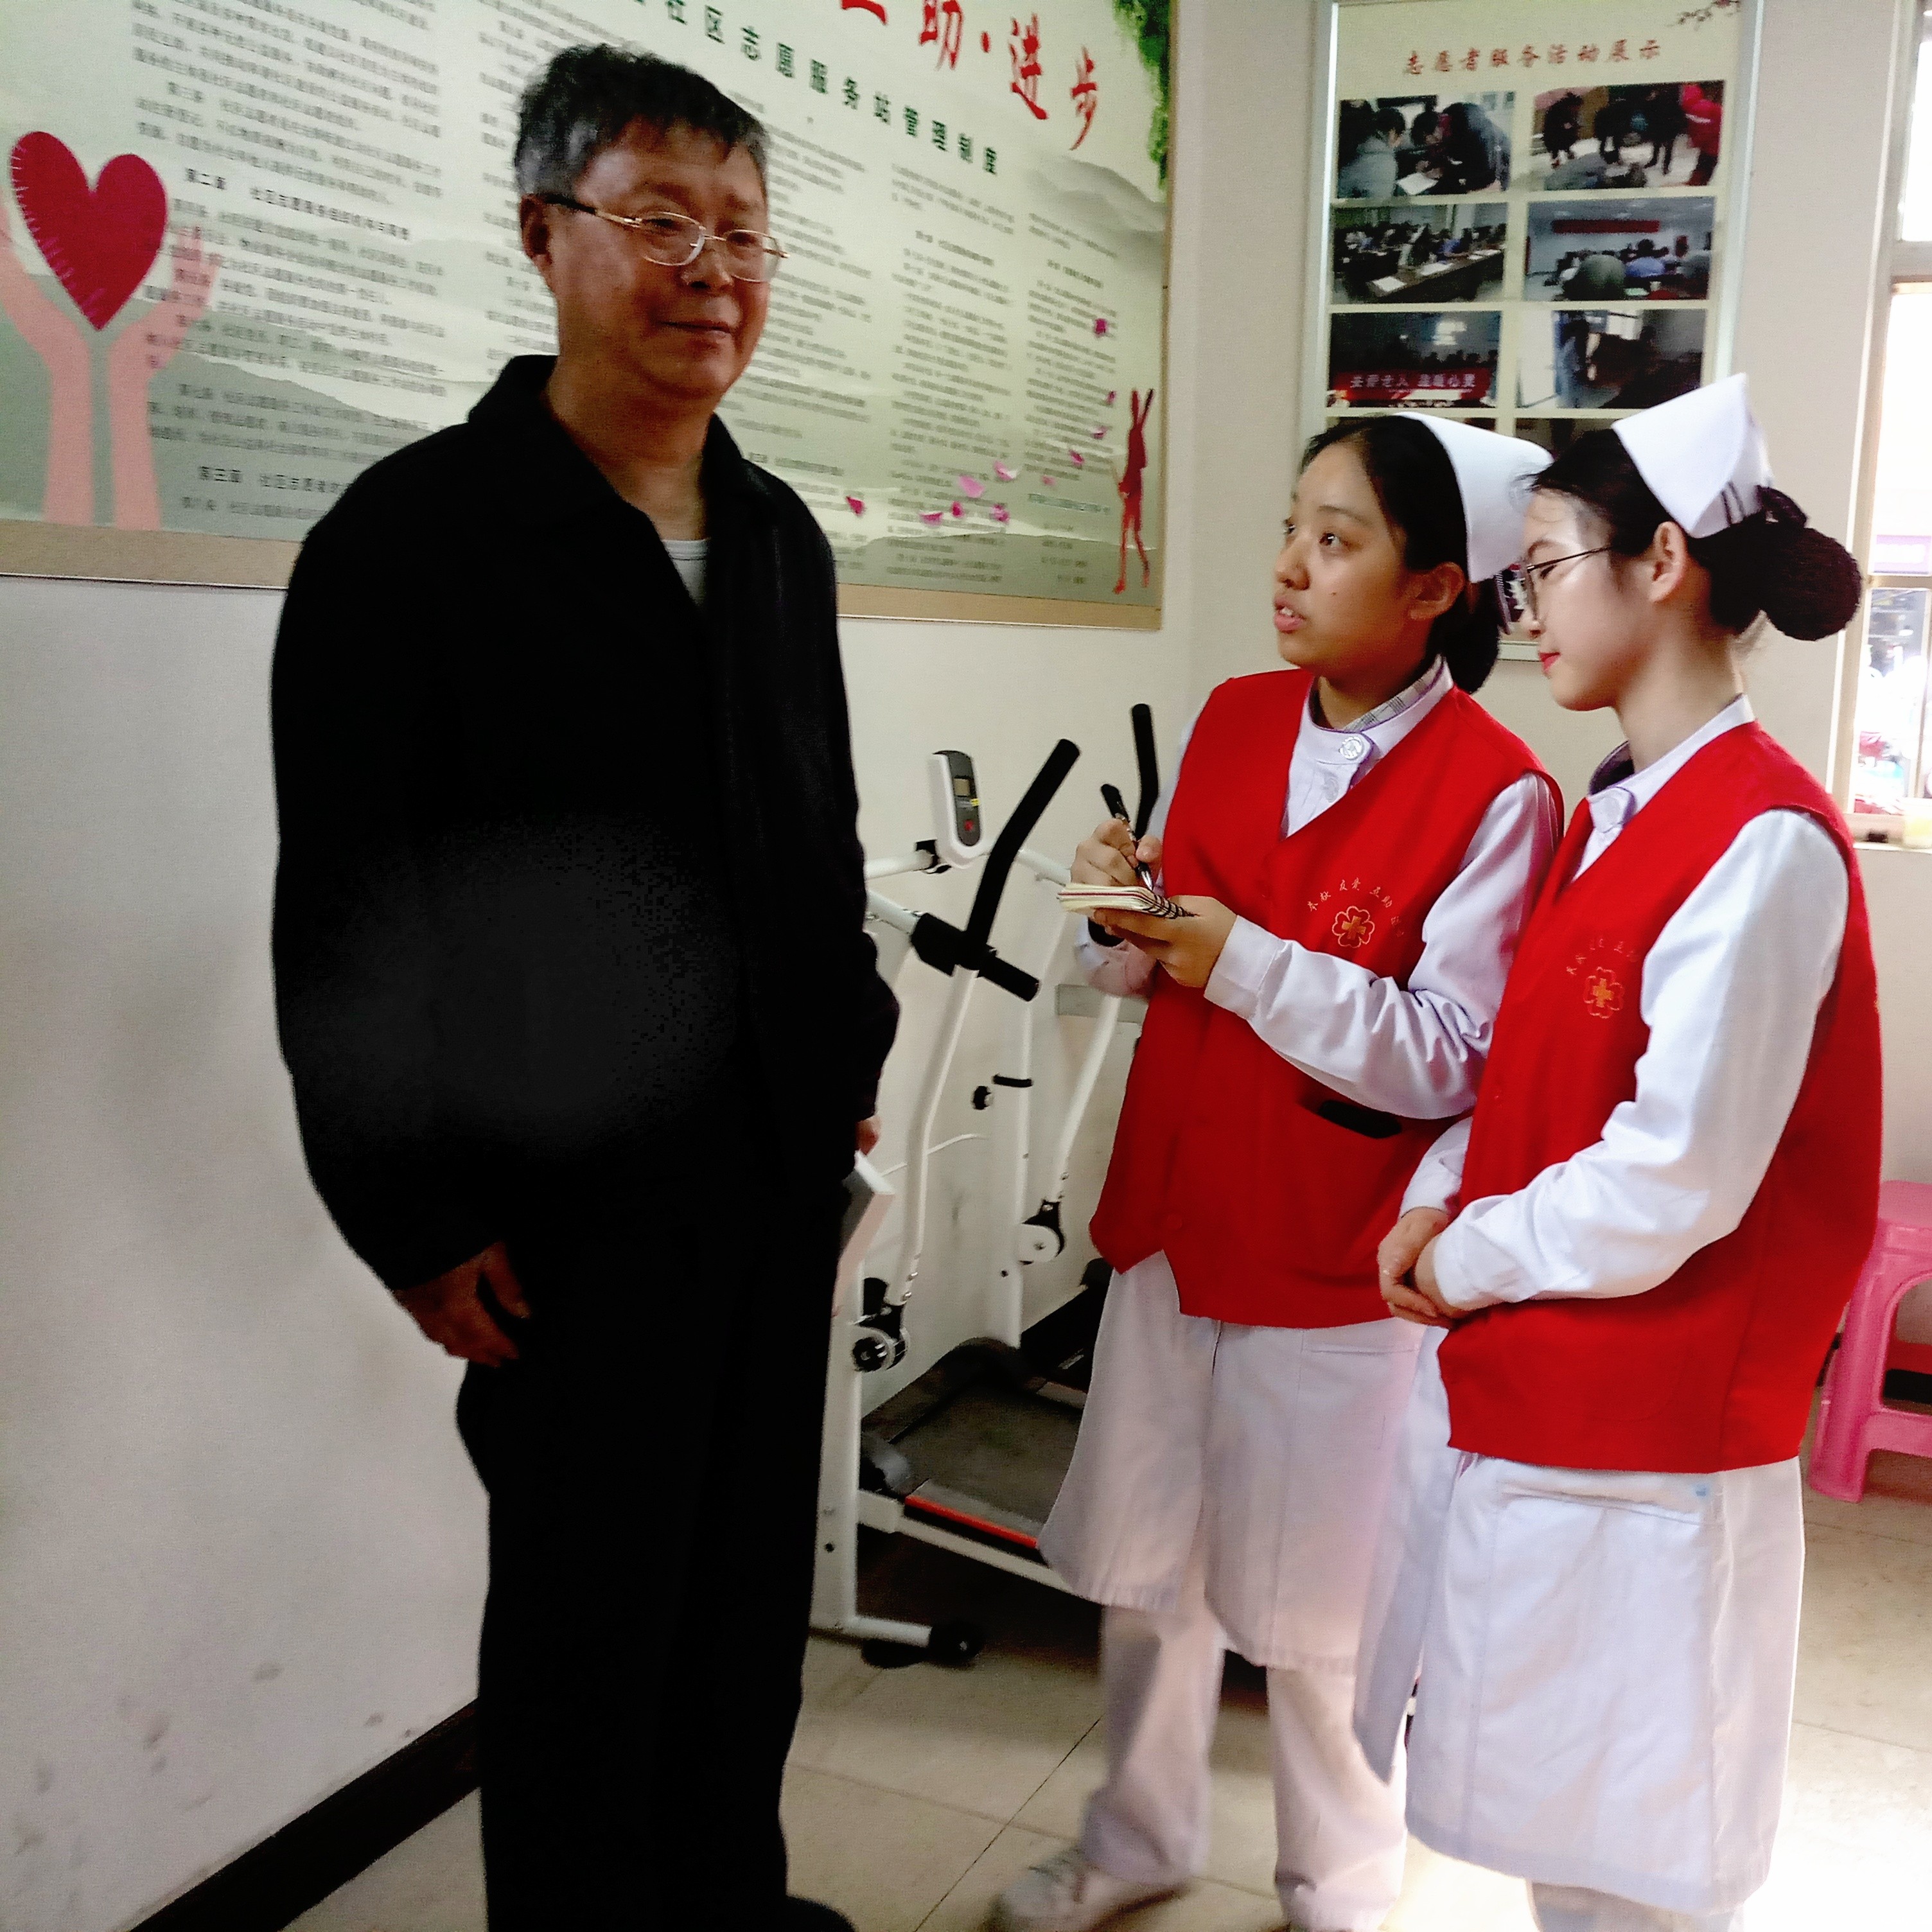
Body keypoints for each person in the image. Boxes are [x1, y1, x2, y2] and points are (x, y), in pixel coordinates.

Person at [269, 44, 897, 1932]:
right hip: (562, 1216)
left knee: (740, 1617)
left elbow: (814, 837)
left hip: (771, 1180)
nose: (711, 271)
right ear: (545, 234)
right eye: (659, 221)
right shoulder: (411, 543)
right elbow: (349, 906)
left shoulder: (773, 541)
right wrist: (408, 1210)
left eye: (743, 233)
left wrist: (844, 1049)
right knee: (585, 1639)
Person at [993, 416, 1559, 1932]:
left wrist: (1237, 957)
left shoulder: (1493, 790)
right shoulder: (1237, 717)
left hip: (1329, 1257)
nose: (1288, 567)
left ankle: (1339, 1889)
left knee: (1322, 1624)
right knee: (1146, 1576)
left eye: (1336, 538)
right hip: (1176, 1217)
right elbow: (1160, 955)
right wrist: (1120, 917)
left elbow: (1451, 1053)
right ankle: (1135, 1839)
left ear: (1433, 587)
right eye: (1291, 526)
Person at [1358, 376, 1877, 1932]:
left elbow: (1673, 1174)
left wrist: (1462, 1252)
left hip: (1655, 1441)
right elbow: (1534, 1076)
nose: (1522, 611)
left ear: (1660, 564)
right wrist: (1437, 1199)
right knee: (1562, 1841)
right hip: (1552, 1400)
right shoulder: (1617, 813)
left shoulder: (1761, 838)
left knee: (1631, 1874)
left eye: (1543, 568)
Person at [1337, 105, 1407, 198]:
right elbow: (1379, 203)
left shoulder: (1358, 147)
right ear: (1392, 133)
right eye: (1401, 135)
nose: (1401, 140)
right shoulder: (1384, 164)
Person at [1685, 81, 1724, 184]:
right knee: (1704, 167)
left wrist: (1695, 141)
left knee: (1704, 168)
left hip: (1712, 148)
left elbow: (1707, 131)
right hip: (1711, 147)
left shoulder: (1703, 109)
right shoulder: (1712, 108)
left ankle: (1698, 183)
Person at [1541, 91, 1583, 166]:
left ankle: (1566, 154)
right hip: (1553, 134)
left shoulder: (1568, 110)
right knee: (1555, 146)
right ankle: (1556, 160)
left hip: (1562, 134)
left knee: (1564, 141)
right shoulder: (1558, 110)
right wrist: (1570, 125)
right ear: (1572, 105)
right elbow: (1559, 123)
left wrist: (1574, 125)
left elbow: (1569, 123)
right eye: (1577, 107)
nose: (1577, 109)